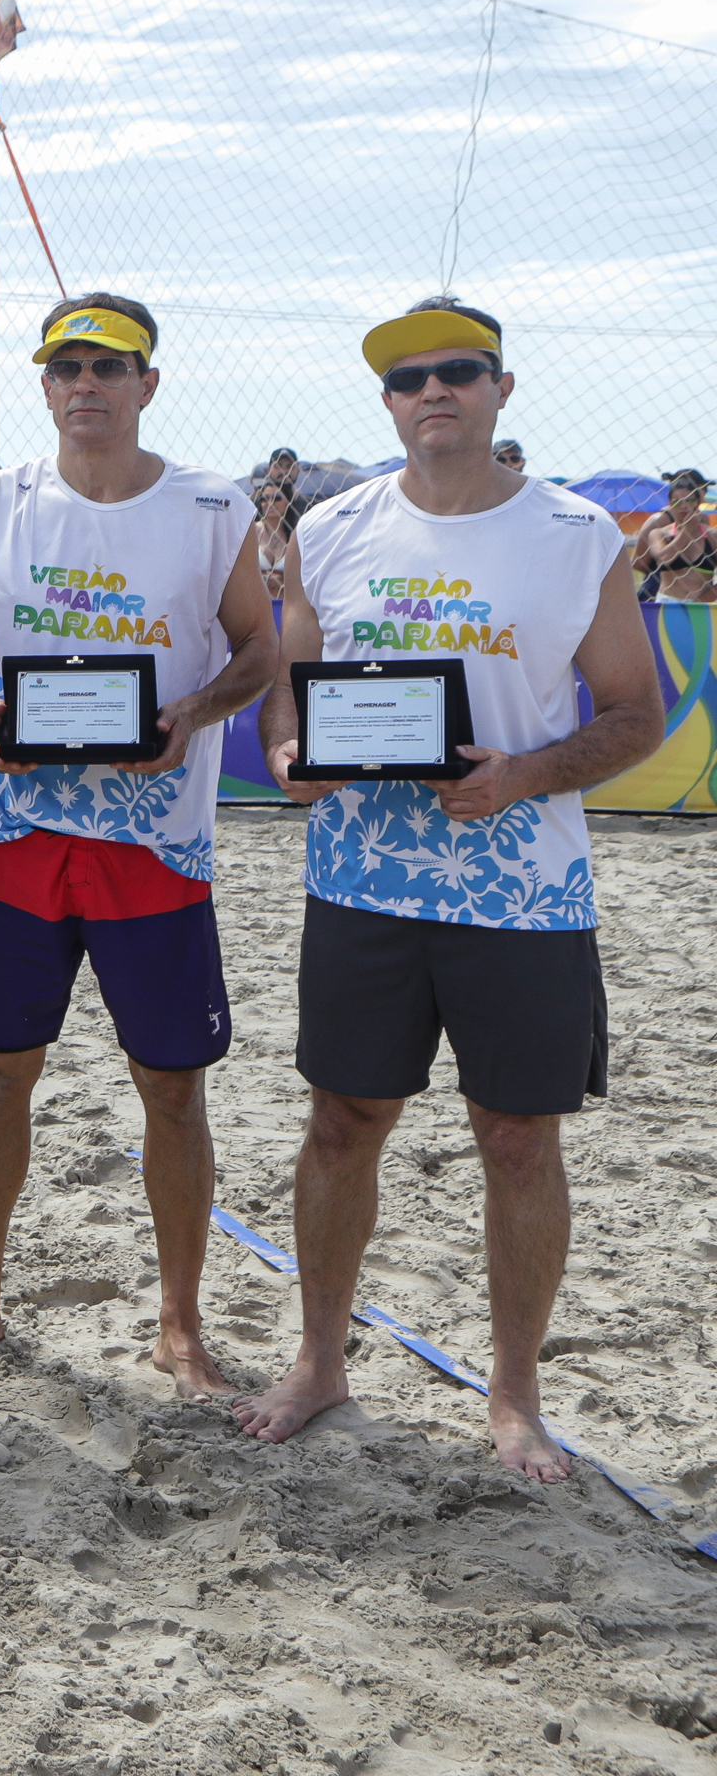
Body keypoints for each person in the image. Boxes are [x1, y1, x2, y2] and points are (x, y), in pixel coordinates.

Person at [236, 298, 662, 1480]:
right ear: (386, 402)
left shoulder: (578, 535)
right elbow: (294, 681)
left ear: (501, 389)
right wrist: (287, 755)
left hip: (522, 890)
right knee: (340, 1120)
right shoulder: (330, 528)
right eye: (411, 376)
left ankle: (515, 1395)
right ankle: (321, 1359)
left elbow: (638, 713)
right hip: (365, 878)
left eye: (460, 372)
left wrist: (528, 772)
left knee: (519, 1138)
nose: (435, 391)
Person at [0, 294, 277, 1400]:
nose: (86, 383)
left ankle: (179, 1321)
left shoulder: (213, 507)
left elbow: (259, 649)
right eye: (66, 364)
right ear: (45, 383)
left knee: (171, 1085)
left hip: (153, 842)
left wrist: (194, 715)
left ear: (147, 383)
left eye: (108, 365)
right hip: (22, 834)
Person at [633, 468, 714, 606]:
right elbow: (638, 563)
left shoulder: (704, 521)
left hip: (699, 602)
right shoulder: (660, 521)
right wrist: (672, 573)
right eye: (703, 488)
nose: (705, 493)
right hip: (656, 593)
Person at [253, 478, 300, 602]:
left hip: (288, 604)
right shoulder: (251, 531)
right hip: (258, 603)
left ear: (287, 502)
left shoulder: (297, 534)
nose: (270, 503)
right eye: (265, 498)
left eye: (277, 498)